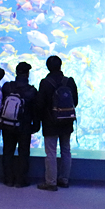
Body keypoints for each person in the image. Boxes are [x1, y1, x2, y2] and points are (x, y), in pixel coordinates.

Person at [35, 55, 78, 191]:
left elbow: (40, 104)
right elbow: (75, 101)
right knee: (66, 150)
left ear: (48, 67)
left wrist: (40, 119)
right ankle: (64, 180)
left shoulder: (45, 82)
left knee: (51, 152)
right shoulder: (69, 81)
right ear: (61, 65)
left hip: (50, 122)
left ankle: (51, 182)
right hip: (66, 121)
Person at [0, 61, 40, 188]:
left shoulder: (7, 87)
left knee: (8, 151)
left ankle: (8, 179)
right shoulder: (32, 91)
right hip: (24, 126)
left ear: (16, 73)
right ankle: (20, 180)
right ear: (27, 74)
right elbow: (36, 110)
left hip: (7, 125)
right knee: (23, 152)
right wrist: (36, 125)